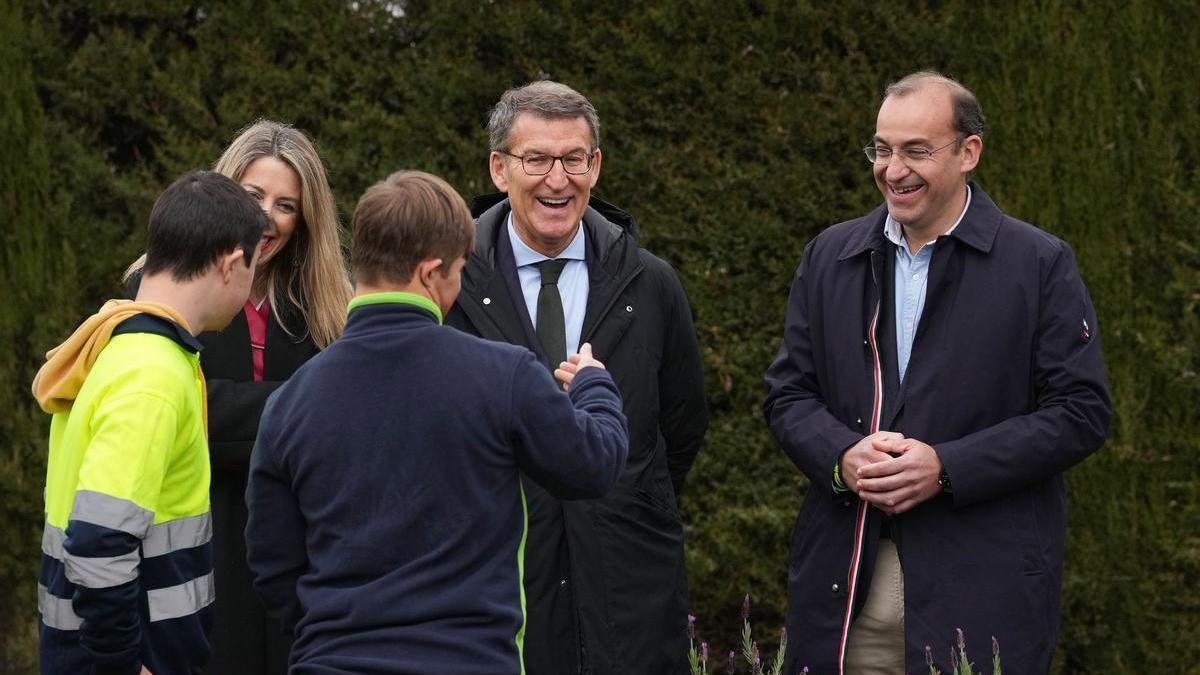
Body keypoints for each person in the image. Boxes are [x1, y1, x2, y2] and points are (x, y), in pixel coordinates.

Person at [763, 70, 1112, 674]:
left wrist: (949, 468)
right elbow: (789, 394)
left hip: (981, 593)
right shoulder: (830, 256)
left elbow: (1081, 413)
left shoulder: (1038, 263)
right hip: (847, 588)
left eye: (917, 150)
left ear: (969, 152)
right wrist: (841, 458)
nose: (893, 169)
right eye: (883, 148)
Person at [244, 170, 630, 674]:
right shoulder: (503, 374)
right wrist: (593, 385)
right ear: (431, 273)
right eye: (460, 270)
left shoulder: (292, 401)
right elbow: (594, 464)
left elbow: (272, 560)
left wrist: (329, 633)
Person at [445, 80, 708, 674]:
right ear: (498, 168)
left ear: (596, 166)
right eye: (536, 159)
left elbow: (681, 426)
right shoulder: (451, 287)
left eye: (573, 159)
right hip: (493, 582)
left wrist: (623, 502)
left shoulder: (651, 283)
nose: (557, 180)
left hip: (626, 588)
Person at [126, 119, 353, 674]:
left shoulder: (328, 306)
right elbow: (183, 411)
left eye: (286, 205)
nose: (266, 218)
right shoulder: (158, 287)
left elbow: (345, 426)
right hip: (199, 549)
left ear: (305, 219)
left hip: (302, 559)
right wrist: (304, 408)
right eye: (253, 195)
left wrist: (231, 412)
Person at [33, 171, 268, 675]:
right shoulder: (153, 374)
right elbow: (99, 543)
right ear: (231, 264)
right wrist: (124, 663)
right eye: (253, 268)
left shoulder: (118, 344)